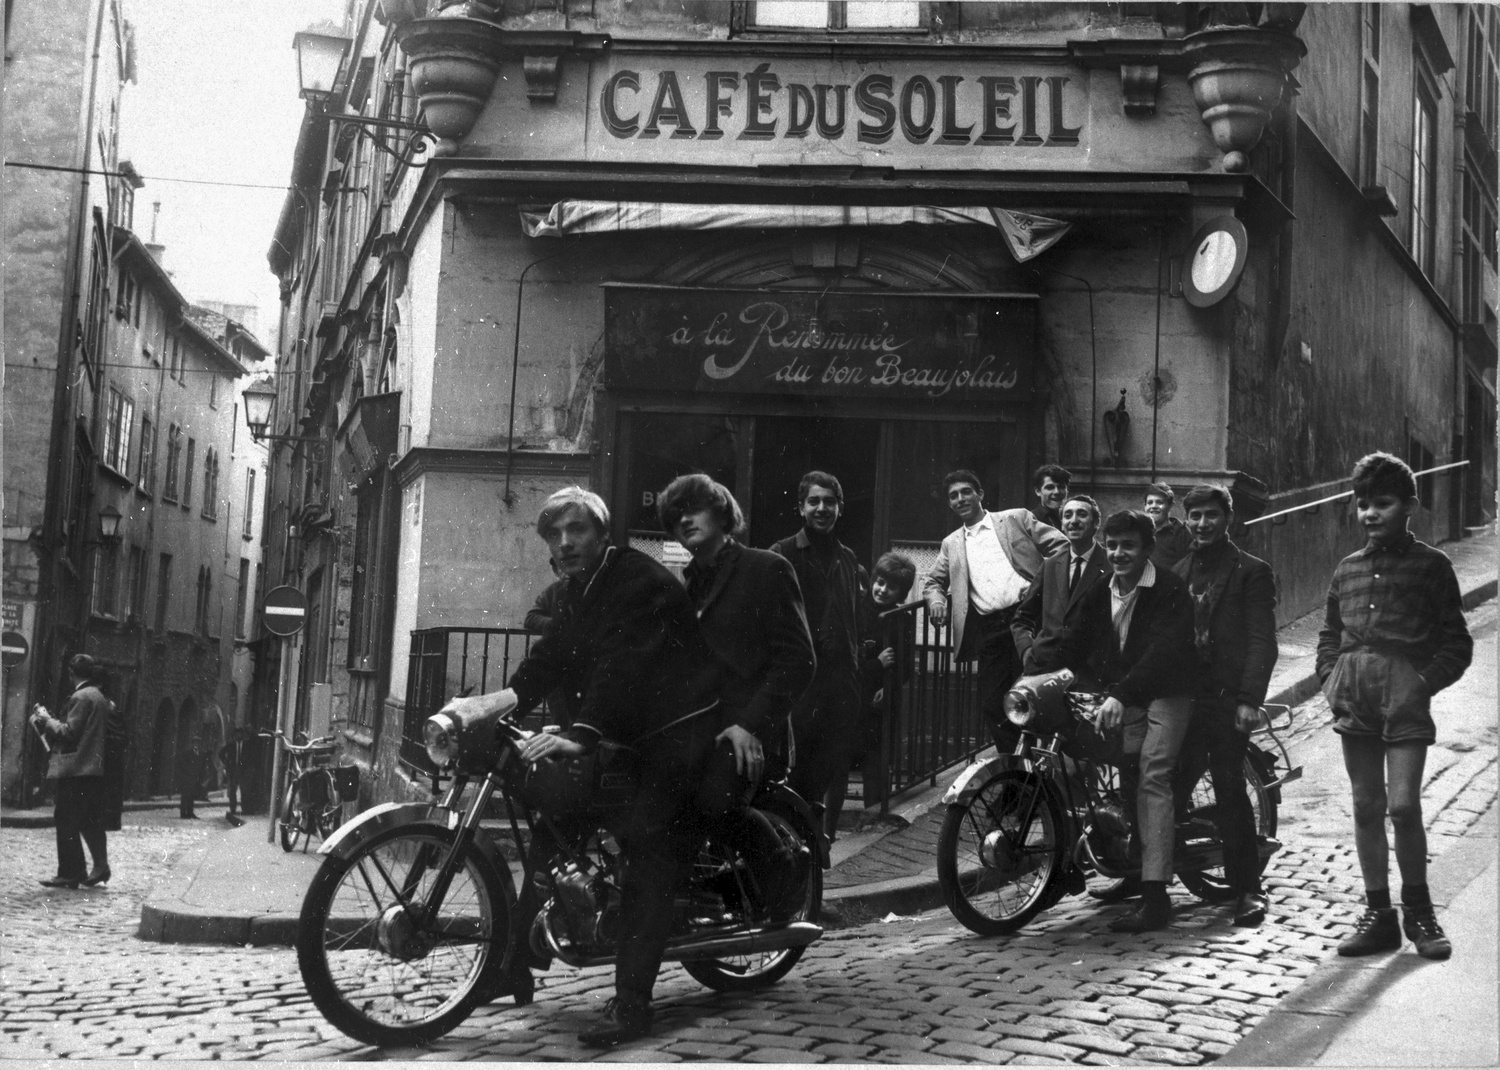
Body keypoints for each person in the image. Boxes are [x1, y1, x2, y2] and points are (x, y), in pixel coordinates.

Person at [441, 486, 722, 1046]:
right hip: (624, 733)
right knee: (551, 828)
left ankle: (633, 1005)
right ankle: (510, 967)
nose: (565, 543)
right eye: (554, 534)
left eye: (577, 531)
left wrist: (581, 735)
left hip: (676, 731)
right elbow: (548, 660)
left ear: (602, 533)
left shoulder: (637, 581)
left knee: (646, 848)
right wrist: (488, 706)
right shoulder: (575, 593)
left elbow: (624, 665)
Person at [1317, 452, 1472, 960]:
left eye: (1382, 504)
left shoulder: (1433, 566)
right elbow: (1329, 634)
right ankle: (1378, 915)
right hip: (1355, 697)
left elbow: (1457, 644)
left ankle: (1420, 913)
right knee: (1366, 805)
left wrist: (1420, 684)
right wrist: (1330, 678)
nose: (1370, 514)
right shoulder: (1347, 569)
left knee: (1403, 806)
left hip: (1403, 701)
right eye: (1363, 505)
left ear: (1409, 505)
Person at [658, 473, 816, 917]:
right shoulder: (688, 586)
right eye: (675, 516)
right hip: (701, 730)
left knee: (712, 803)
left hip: (752, 732)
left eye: (694, 508)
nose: (684, 520)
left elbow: (798, 660)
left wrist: (750, 725)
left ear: (722, 513)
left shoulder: (766, 567)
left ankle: (785, 874)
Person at [1062, 510, 1195, 932]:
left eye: (1129, 546)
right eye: (1112, 545)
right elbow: (1074, 640)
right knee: (1114, 769)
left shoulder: (1169, 588)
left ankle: (1156, 897)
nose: (1119, 553)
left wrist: (1120, 694)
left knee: (1152, 774)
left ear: (1148, 549)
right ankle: (1130, 868)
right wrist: (1037, 675)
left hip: (1168, 690)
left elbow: (1164, 652)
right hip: (1125, 693)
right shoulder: (1103, 588)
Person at [1170, 483, 1278, 927]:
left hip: (1226, 699)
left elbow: (1261, 641)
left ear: (1226, 518)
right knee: (1167, 785)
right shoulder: (1177, 571)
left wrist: (1250, 699)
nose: (1201, 524)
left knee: (1229, 788)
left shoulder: (1251, 570)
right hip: (1184, 698)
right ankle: (1150, 875)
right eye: (1194, 516)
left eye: (1210, 515)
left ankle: (1248, 888)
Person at [923, 469, 1066, 754]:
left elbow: (1062, 546)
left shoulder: (1015, 518)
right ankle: (1016, 770)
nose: (961, 499)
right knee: (993, 705)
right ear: (949, 503)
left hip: (1029, 621)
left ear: (980, 495)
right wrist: (937, 601)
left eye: (966, 492)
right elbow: (932, 581)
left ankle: (1043, 773)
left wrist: (1041, 586)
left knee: (1037, 697)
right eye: (954, 496)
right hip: (991, 630)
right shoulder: (951, 543)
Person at [770, 471, 869, 855]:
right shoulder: (781, 554)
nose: (822, 509)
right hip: (800, 689)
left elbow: (853, 622)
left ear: (840, 508)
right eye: (814, 501)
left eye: (829, 502)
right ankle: (793, 860)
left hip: (840, 688)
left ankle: (818, 853)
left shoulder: (848, 559)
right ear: (801, 507)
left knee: (828, 773)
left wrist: (856, 671)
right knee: (793, 780)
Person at [30, 654, 117, 889]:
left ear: (71, 673)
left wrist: (47, 720)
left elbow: (70, 732)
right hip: (92, 769)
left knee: (66, 819)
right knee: (89, 821)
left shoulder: (80, 696)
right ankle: (100, 866)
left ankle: (71, 872)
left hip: (77, 769)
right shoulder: (98, 695)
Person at [1012, 493, 1109, 677]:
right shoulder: (1050, 564)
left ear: (1096, 523)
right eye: (1068, 515)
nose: (1074, 521)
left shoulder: (1110, 564)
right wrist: (1027, 652)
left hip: (1091, 672)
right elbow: (1022, 617)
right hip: (1044, 666)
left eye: (1081, 514)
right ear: (1062, 525)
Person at [852, 551, 917, 816]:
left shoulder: (903, 618)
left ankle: (873, 813)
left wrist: (888, 688)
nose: (883, 590)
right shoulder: (857, 610)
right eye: (880, 582)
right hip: (854, 692)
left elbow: (905, 665)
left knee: (876, 760)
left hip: (881, 699)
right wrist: (877, 664)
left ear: (901, 592)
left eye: (892, 587)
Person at [1143, 482, 1192, 570]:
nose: (1154, 506)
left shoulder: (1181, 533)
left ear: (1170, 506)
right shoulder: (1140, 532)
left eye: (1159, 502)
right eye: (1150, 502)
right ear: (1145, 506)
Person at [1030, 464, 1072, 531]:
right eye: (1050, 487)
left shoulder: (1073, 517)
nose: (1057, 492)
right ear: (1038, 491)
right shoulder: (1031, 519)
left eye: (1061, 487)